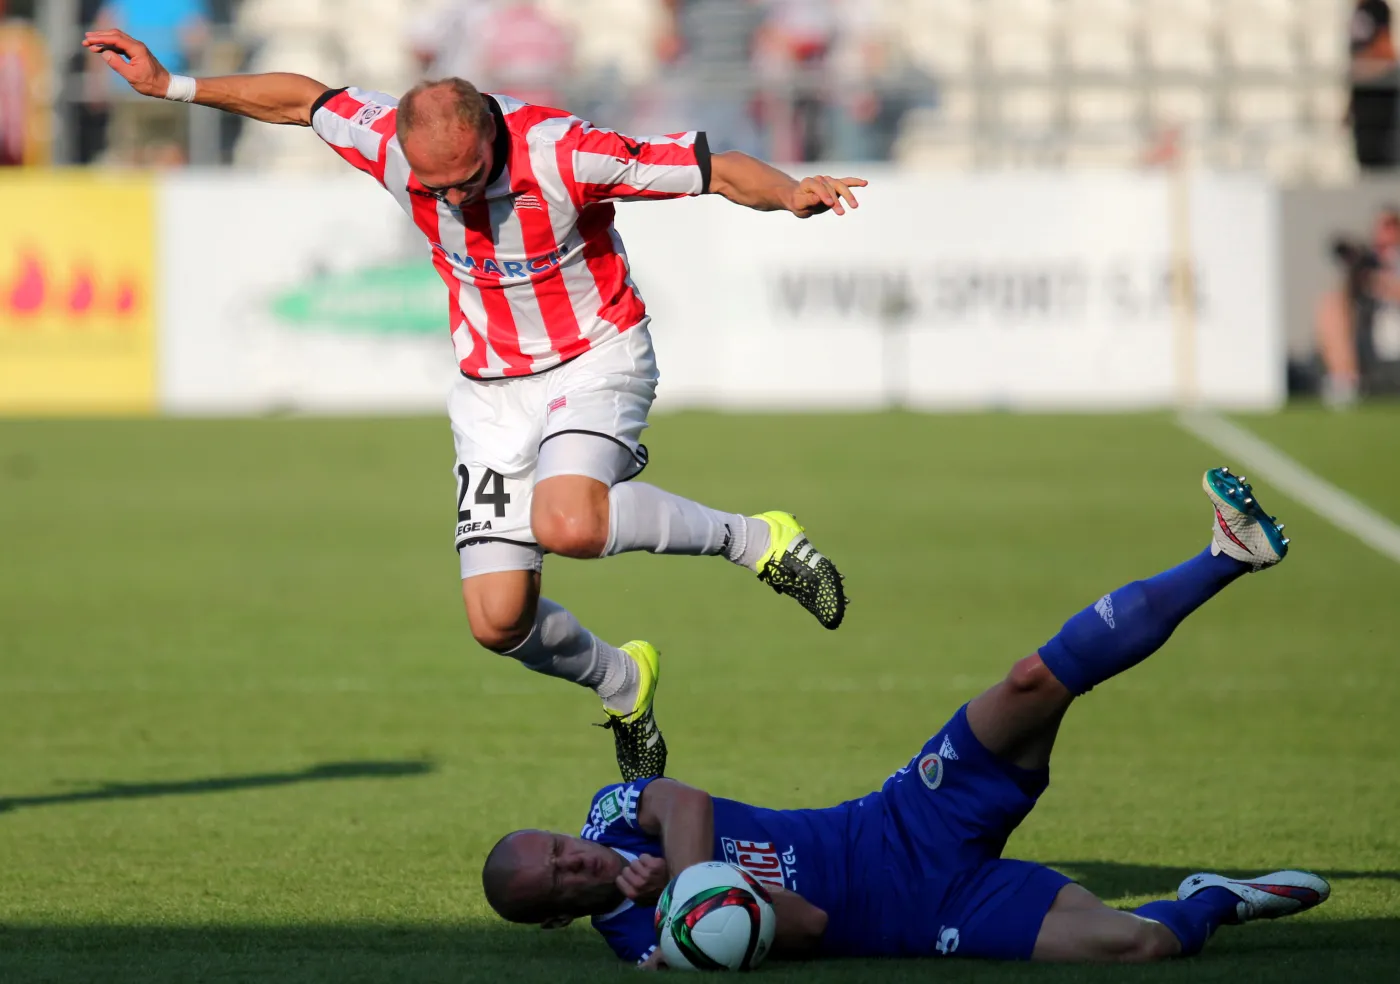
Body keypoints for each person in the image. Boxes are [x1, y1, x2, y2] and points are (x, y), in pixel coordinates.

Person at [84, 28, 861, 782]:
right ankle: (624, 684)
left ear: (491, 134)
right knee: (497, 621)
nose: (451, 197)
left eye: (465, 177)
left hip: (596, 357)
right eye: (435, 185)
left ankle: (757, 541)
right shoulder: (391, 141)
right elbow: (302, 100)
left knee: (570, 521)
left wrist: (790, 193)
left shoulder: (563, 152)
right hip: (490, 394)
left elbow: (714, 168)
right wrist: (170, 86)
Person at [482, 468, 1331, 967]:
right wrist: (682, 903)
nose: (573, 863)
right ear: (559, 916)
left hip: (897, 819)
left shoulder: (609, 813)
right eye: (557, 883)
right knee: (1139, 947)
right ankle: (1218, 898)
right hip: (927, 914)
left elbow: (683, 801)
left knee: (1032, 681)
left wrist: (688, 874)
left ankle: (1227, 554)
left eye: (556, 850)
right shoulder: (644, 942)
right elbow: (811, 924)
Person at [1315, 205, 1400, 407]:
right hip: (1373, 340)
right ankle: (1345, 381)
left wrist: (1387, 283)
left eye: (1391, 226)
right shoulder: (1368, 264)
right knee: (1331, 304)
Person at [1349, 0, 1399, 170]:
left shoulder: (1376, 9)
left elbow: (1384, 54)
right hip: (1364, 97)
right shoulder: (1359, 11)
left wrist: (1363, 71)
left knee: (1380, 155)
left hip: (1377, 95)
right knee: (1366, 156)